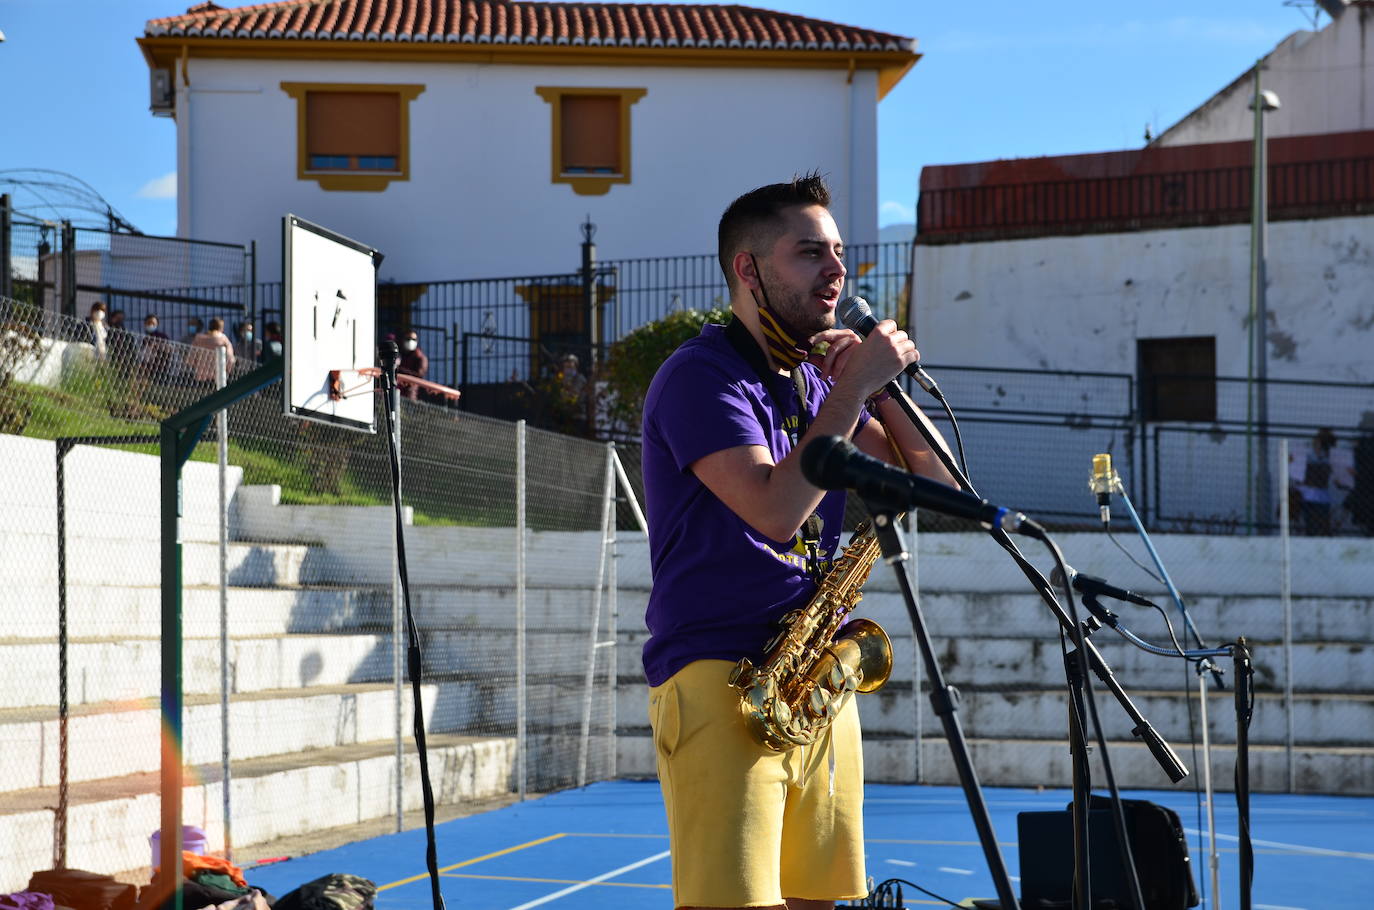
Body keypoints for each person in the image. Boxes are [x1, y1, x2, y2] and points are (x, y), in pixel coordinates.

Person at [640, 173, 956, 910]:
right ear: (748, 269)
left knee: (820, 903)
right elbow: (775, 511)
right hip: (722, 676)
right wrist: (850, 392)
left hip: (814, 679)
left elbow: (938, 482)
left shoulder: (816, 384)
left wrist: (878, 387)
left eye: (838, 252)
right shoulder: (701, 377)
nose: (837, 270)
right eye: (810, 252)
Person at [188, 316, 235, 385]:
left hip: (201, 376)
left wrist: (197, 367)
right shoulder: (223, 340)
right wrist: (228, 370)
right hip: (219, 377)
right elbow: (230, 359)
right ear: (221, 328)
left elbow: (191, 359)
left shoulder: (198, 339)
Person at [397, 330, 428, 400]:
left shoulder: (420, 357)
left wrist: (400, 370)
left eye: (413, 339)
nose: (410, 341)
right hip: (398, 390)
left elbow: (419, 375)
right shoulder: (402, 355)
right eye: (408, 339)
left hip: (411, 393)